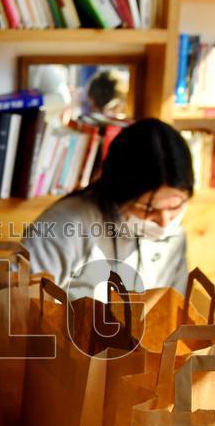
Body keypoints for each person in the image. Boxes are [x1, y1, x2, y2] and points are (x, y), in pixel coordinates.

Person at [23, 118, 193, 299]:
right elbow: (19, 309)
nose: (165, 221)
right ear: (122, 192)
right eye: (149, 209)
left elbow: (174, 308)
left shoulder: (174, 237)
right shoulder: (63, 227)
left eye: (176, 206)